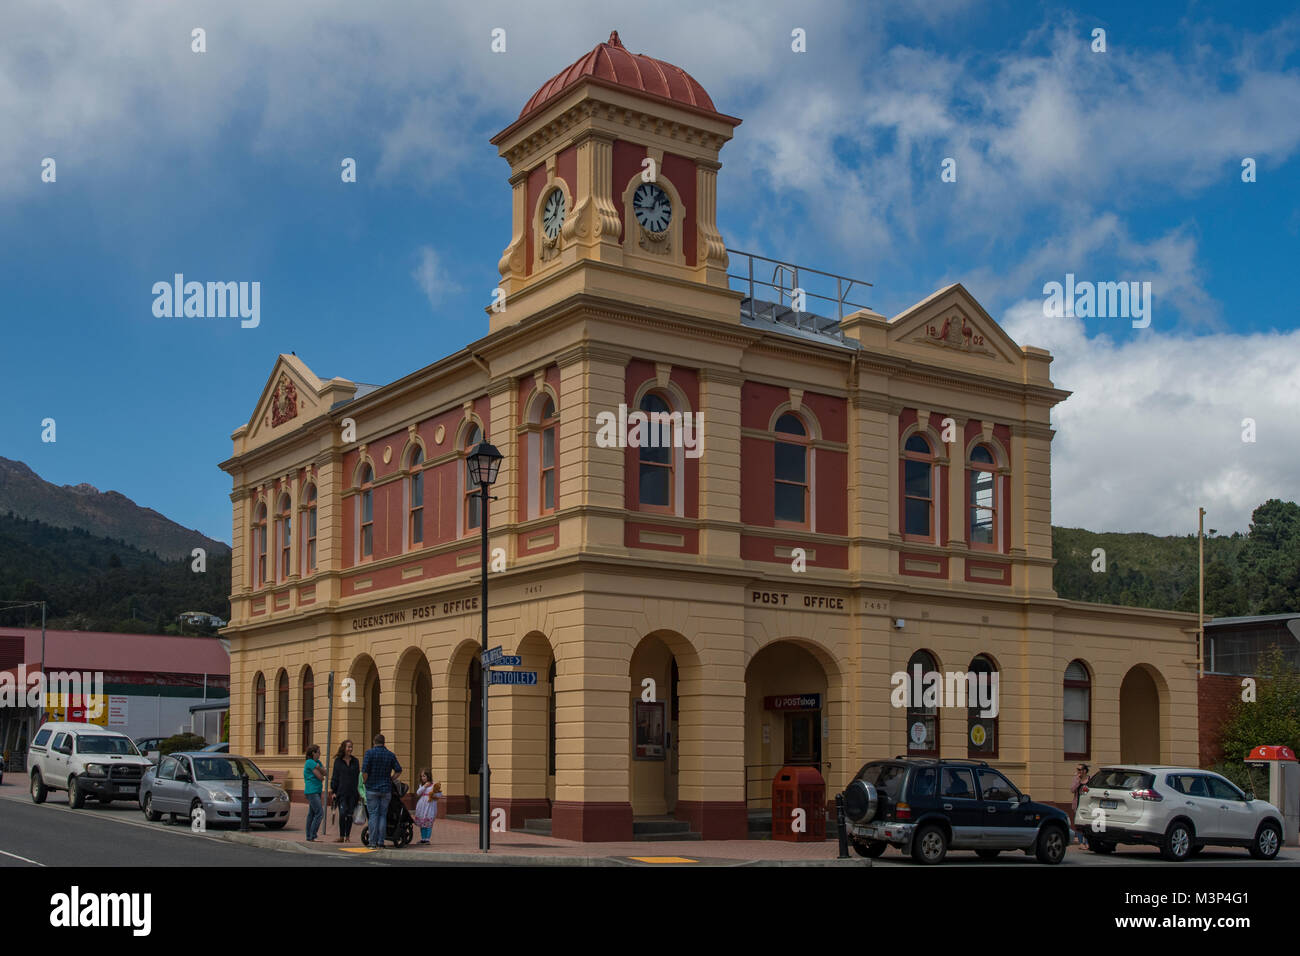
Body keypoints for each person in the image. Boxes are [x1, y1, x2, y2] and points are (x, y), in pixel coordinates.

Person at [360, 733, 402, 847]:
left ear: (374, 742)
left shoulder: (369, 753)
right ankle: (380, 841)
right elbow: (398, 770)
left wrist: (365, 781)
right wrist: (391, 779)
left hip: (372, 789)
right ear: (384, 743)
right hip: (386, 789)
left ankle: (372, 842)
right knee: (383, 815)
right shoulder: (390, 755)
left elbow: (364, 771)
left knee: (373, 815)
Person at [330, 739, 361, 843]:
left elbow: (358, 777)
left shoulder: (355, 761)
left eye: (351, 747)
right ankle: (341, 835)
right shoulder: (338, 761)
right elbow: (335, 776)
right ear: (344, 748)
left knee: (350, 814)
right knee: (343, 813)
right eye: (348, 747)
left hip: (353, 792)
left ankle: (347, 836)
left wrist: (360, 791)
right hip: (341, 792)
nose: (350, 749)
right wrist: (333, 791)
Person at [303, 744, 326, 842]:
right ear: (313, 753)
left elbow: (325, 773)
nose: (320, 754)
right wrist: (320, 769)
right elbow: (320, 777)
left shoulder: (317, 762)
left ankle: (309, 836)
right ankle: (313, 834)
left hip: (317, 790)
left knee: (312, 814)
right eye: (318, 752)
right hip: (311, 790)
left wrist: (319, 768)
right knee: (319, 812)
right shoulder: (309, 762)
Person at [413, 771, 442, 844]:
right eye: (421, 776)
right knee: (422, 822)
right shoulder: (422, 785)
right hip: (422, 805)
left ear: (428, 776)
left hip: (430, 805)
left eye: (424, 776)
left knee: (428, 821)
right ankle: (423, 838)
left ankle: (427, 839)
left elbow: (439, 794)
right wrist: (424, 786)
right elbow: (418, 792)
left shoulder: (434, 785)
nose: (422, 778)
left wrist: (434, 795)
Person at [1071, 763, 1091, 847]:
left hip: (1088, 805)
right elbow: (1072, 790)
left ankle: (1087, 842)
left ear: (1084, 771)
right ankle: (1081, 843)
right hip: (1078, 804)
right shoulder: (1076, 779)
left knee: (1087, 824)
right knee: (1079, 824)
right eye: (1077, 770)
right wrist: (1079, 781)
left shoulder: (1090, 779)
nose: (1078, 771)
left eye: (1079, 770)